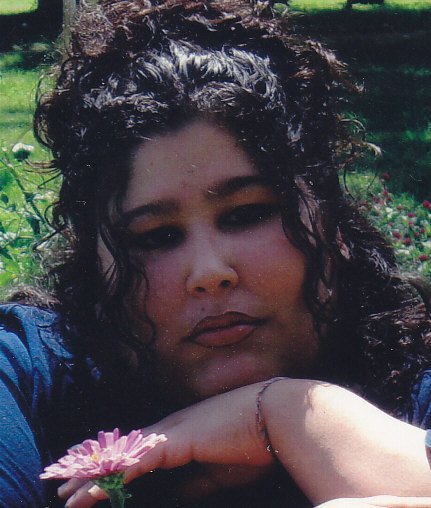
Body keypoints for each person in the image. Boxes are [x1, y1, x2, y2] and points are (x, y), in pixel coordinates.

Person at [1, 0, 430, 506]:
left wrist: (294, 417)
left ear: (330, 215)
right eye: (155, 237)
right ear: (94, 265)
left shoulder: (415, 369)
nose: (210, 272)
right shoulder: (27, 375)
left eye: (247, 214)